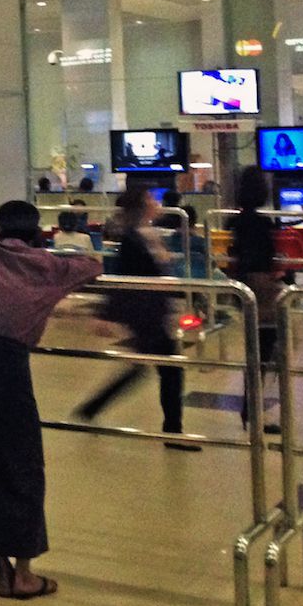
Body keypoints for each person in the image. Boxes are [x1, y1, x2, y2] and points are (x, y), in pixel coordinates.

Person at [0, 200, 101, 599]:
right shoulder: (47, 267)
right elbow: (92, 266)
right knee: (22, 465)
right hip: (9, 369)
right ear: (37, 233)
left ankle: (1, 572)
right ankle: (24, 573)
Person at [72, 187, 194, 450]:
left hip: (155, 311)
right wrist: (105, 315)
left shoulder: (147, 234)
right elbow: (123, 280)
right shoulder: (132, 240)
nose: (155, 201)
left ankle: (92, 407)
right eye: (150, 198)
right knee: (169, 369)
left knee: (145, 368)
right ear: (142, 205)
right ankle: (172, 432)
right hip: (146, 314)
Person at [230, 166, 284, 433]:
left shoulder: (235, 222)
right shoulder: (264, 224)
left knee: (256, 350)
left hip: (243, 286)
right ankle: (252, 412)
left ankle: (249, 411)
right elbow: (271, 258)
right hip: (263, 289)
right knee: (267, 350)